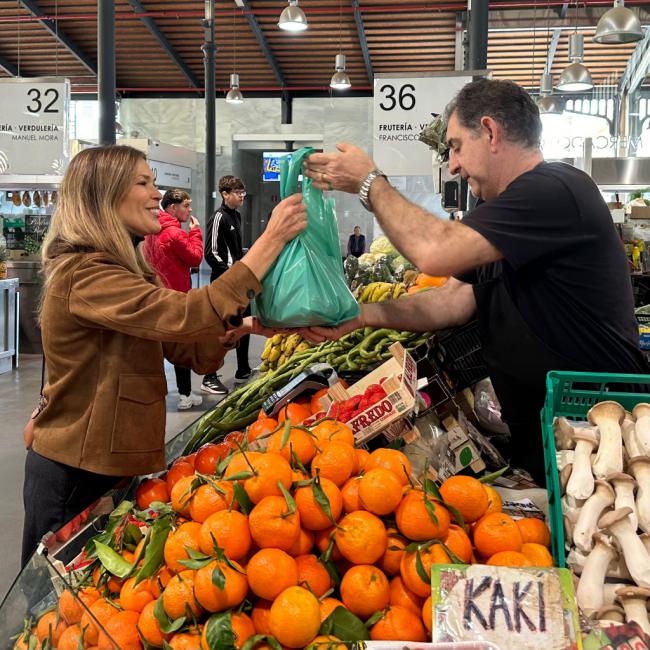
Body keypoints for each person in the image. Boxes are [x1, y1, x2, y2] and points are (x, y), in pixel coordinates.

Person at [303, 78, 648, 485]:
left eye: (455, 146)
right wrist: (360, 315)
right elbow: (451, 301)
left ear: (490, 131)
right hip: (545, 430)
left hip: (596, 432)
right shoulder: (503, 215)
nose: (452, 164)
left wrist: (369, 183)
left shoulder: (554, 189)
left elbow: (433, 251)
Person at [22, 145, 306, 565]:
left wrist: (247, 328)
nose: (158, 194)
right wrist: (270, 241)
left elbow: (186, 346)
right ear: (104, 196)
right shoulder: (84, 274)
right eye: (144, 183)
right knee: (50, 611)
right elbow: (183, 315)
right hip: (76, 474)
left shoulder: (127, 271)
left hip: (110, 466)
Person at [143, 189, 204, 410]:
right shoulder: (175, 234)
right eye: (186, 206)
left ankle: (155, 394)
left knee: (158, 346)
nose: (189, 210)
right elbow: (195, 257)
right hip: (177, 297)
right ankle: (185, 395)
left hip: (157, 296)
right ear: (172, 207)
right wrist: (195, 233)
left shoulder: (151, 231)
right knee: (181, 344)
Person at [202, 175, 251, 394]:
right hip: (224, 284)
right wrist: (230, 274)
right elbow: (210, 253)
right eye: (238, 193)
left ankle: (243, 369)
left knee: (244, 324)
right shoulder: (219, 217)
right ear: (225, 194)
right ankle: (208, 376)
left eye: (243, 193)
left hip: (238, 282)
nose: (242, 197)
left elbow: (234, 250)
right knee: (221, 330)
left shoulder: (236, 217)